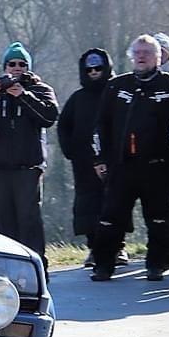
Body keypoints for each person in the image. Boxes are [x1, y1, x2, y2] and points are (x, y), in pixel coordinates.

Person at [90, 34, 169, 282]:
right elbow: (100, 125)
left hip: (158, 166)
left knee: (159, 219)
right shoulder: (117, 85)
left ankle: (156, 265)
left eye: (147, 53)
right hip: (121, 165)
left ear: (158, 57)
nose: (141, 57)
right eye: (137, 53)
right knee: (110, 217)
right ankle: (103, 265)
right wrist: (99, 159)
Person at [0, 41, 58, 268]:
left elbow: (49, 117)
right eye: (12, 64)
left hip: (27, 168)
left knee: (29, 221)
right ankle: (7, 269)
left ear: (28, 67)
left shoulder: (40, 89)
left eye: (21, 64)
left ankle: (36, 268)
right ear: (5, 67)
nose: (16, 68)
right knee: (3, 223)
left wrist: (23, 95)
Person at [58, 48, 124, 267]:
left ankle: (118, 248)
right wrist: (70, 150)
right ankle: (94, 250)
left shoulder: (116, 93)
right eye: (89, 69)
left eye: (98, 68)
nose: (94, 72)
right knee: (89, 207)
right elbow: (63, 125)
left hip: (114, 161)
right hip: (84, 164)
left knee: (115, 203)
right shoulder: (78, 99)